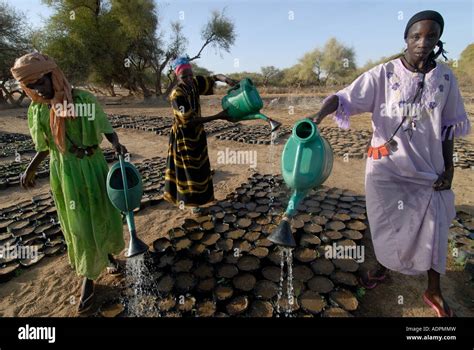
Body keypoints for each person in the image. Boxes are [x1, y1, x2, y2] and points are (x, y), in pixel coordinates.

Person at [308, 10, 470, 317]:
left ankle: (433, 290)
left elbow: (448, 127)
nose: (422, 42)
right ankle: (383, 268)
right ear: (406, 39)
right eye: (415, 36)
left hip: (429, 169)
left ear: (438, 39)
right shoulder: (383, 74)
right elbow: (343, 98)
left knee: (434, 227)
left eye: (430, 36)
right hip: (387, 170)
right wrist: (317, 116)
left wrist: (449, 169)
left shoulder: (445, 77)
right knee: (387, 224)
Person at [11, 52, 128, 313]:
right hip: (66, 171)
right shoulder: (39, 110)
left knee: (101, 212)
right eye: (31, 87)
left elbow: (105, 126)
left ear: (54, 76)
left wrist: (117, 144)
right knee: (79, 223)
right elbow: (46, 146)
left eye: (41, 82)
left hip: (93, 165)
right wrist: (30, 169)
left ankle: (107, 256)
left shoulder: (83, 99)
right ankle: (88, 277)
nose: (38, 90)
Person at [164, 56, 238, 213]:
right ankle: (192, 204)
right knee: (189, 170)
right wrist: (219, 116)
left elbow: (214, 78)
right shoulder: (177, 95)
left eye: (191, 74)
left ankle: (203, 198)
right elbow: (189, 121)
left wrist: (227, 80)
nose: (189, 79)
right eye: (185, 76)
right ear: (177, 77)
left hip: (197, 134)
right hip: (184, 136)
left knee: (201, 168)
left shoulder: (194, 83)